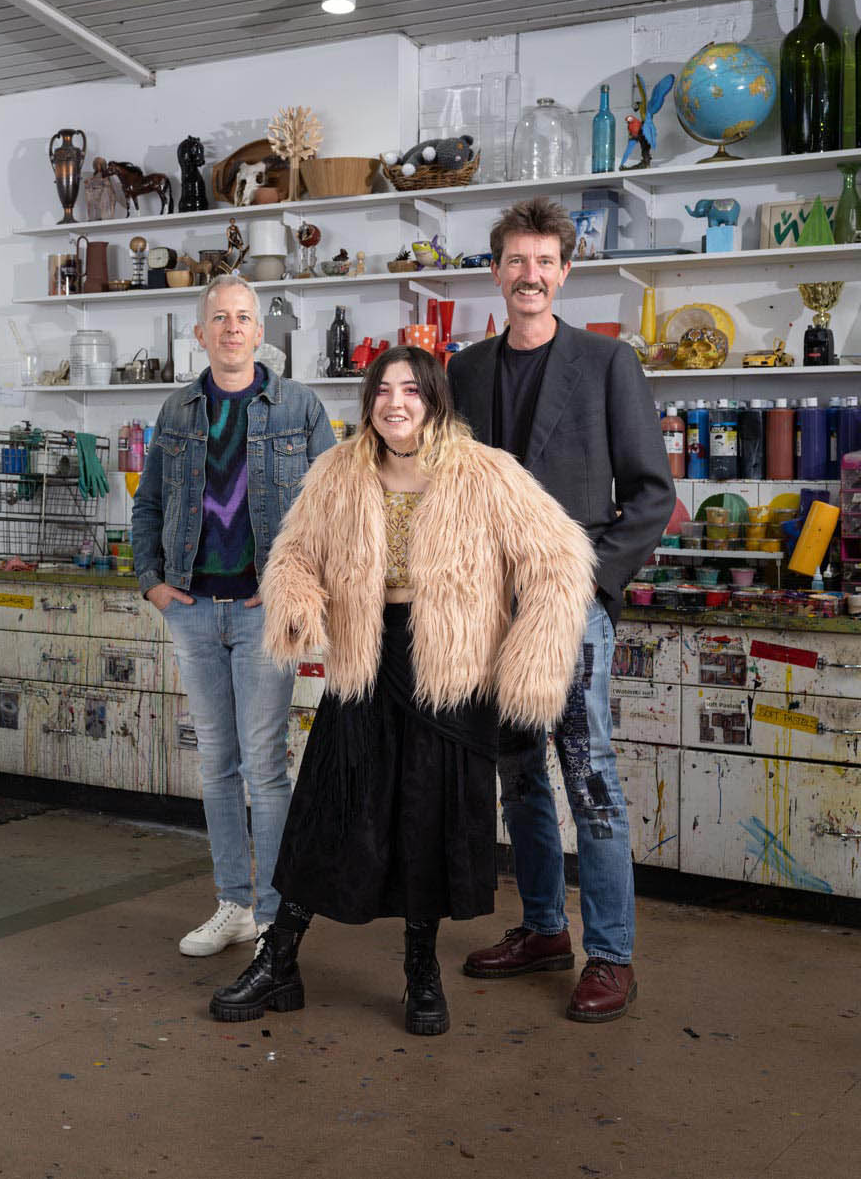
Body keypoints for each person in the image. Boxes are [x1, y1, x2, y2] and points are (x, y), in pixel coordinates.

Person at [210, 346, 595, 1035]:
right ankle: (280, 960)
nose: (395, 402)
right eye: (383, 390)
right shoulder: (338, 469)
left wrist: (528, 659)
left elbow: (563, 560)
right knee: (325, 810)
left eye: (411, 390)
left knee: (426, 815)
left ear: (434, 398)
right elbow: (295, 549)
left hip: (448, 672)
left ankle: (422, 969)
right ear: (369, 403)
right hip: (365, 659)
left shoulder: (486, 473)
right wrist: (296, 597)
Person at [447, 197, 673, 1023]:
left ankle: (611, 954)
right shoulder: (464, 371)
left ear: (564, 271)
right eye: (516, 260)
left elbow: (652, 496)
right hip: (487, 608)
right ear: (497, 269)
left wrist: (589, 581)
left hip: (569, 608)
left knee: (589, 778)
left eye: (545, 262)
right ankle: (544, 928)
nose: (530, 275)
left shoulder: (608, 365)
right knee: (518, 779)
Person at [131, 273, 334, 957]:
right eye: (219, 318)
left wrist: (293, 587)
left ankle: (276, 917)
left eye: (243, 317)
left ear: (259, 329)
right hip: (192, 608)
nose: (232, 328)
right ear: (201, 332)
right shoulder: (177, 412)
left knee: (265, 767)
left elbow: (329, 513)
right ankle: (234, 905)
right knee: (216, 762)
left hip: (262, 615)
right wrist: (152, 583)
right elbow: (149, 505)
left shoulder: (299, 407)